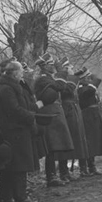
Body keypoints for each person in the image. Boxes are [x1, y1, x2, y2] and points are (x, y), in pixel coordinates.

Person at [0, 61, 38, 202]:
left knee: (10, 165)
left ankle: (6, 196)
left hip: (11, 130)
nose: (22, 75)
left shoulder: (4, 87)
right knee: (19, 165)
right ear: (15, 73)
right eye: (21, 72)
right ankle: (20, 195)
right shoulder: (8, 89)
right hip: (15, 131)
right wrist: (31, 116)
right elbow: (14, 110)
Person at [33, 53, 74, 187]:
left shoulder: (50, 78)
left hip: (56, 112)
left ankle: (64, 172)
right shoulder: (42, 79)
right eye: (50, 65)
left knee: (62, 144)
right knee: (51, 147)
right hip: (49, 114)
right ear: (44, 66)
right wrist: (62, 71)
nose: (52, 67)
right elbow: (60, 86)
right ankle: (51, 176)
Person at [55, 58, 89, 180]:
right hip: (67, 110)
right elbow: (67, 90)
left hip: (74, 109)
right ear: (64, 69)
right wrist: (74, 77)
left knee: (80, 138)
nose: (72, 69)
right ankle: (64, 172)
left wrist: (75, 76)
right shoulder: (60, 79)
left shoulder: (69, 79)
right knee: (67, 140)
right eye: (70, 67)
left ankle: (83, 168)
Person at [76, 68, 102, 175]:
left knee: (94, 140)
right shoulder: (81, 87)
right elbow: (96, 82)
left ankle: (92, 166)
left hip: (94, 114)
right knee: (88, 141)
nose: (89, 78)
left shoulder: (87, 85)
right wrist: (90, 81)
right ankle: (83, 168)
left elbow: (96, 80)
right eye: (87, 77)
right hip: (87, 116)